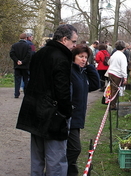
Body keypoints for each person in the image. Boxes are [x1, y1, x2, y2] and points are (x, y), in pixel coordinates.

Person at [16, 24, 78, 176]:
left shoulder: (40, 53)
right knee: (56, 159)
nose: (75, 45)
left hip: (35, 110)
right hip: (53, 114)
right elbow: (62, 90)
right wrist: (66, 112)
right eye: (74, 42)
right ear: (64, 40)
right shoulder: (61, 58)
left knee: (37, 158)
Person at [67, 44, 100, 176]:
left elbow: (95, 84)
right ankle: (58, 170)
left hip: (78, 116)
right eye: (80, 56)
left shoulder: (82, 72)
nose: (83, 59)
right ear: (73, 57)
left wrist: (89, 66)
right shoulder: (70, 71)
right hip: (71, 116)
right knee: (75, 148)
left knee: (70, 148)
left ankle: (69, 171)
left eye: (86, 57)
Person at [106, 40, 128, 110]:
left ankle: (110, 103)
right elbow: (123, 67)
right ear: (124, 47)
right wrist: (125, 77)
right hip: (117, 74)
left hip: (111, 73)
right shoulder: (122, 56)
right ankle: (113, 105)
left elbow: (109, 62)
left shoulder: (114, 54)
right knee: (115, 90)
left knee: (111, 89)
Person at [9, 33, 32, 98]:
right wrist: (23, 61)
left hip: (17, 66)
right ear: (26, 38)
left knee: (17, 80)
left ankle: (16, 93)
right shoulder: (27, 46)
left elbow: (12, 54)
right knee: (26, 80)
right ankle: (26, 93)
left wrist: (17, 61)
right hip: (25, 66)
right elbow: (29, 56)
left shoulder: (14, 45)